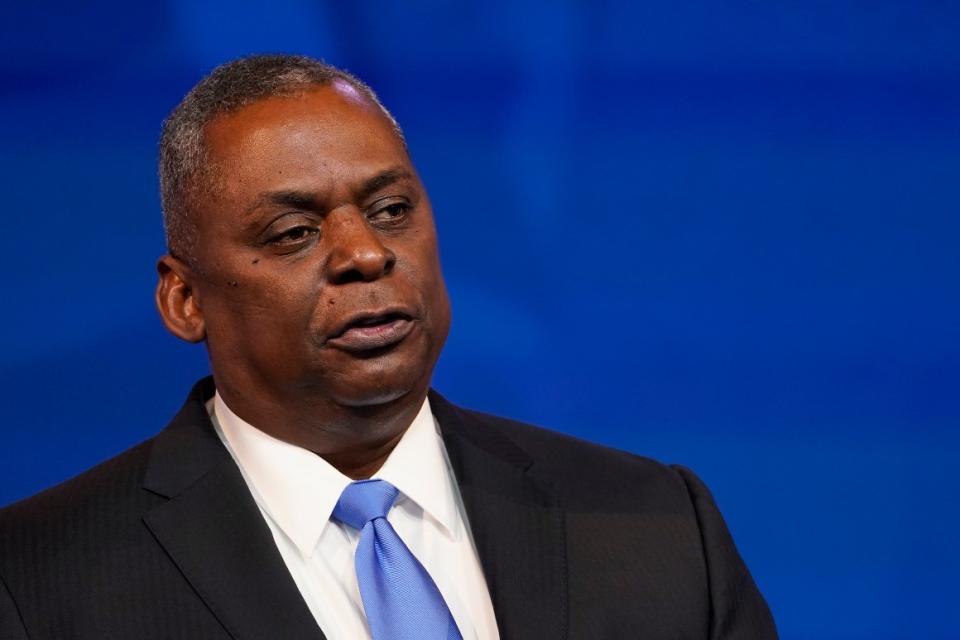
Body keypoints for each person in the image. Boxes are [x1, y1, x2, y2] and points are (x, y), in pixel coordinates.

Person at [0, 54, 777, 639]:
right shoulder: (36, 582)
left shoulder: (658, 529)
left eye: (392, 208)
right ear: (185, 299)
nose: (364, 253)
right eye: (295, 232)